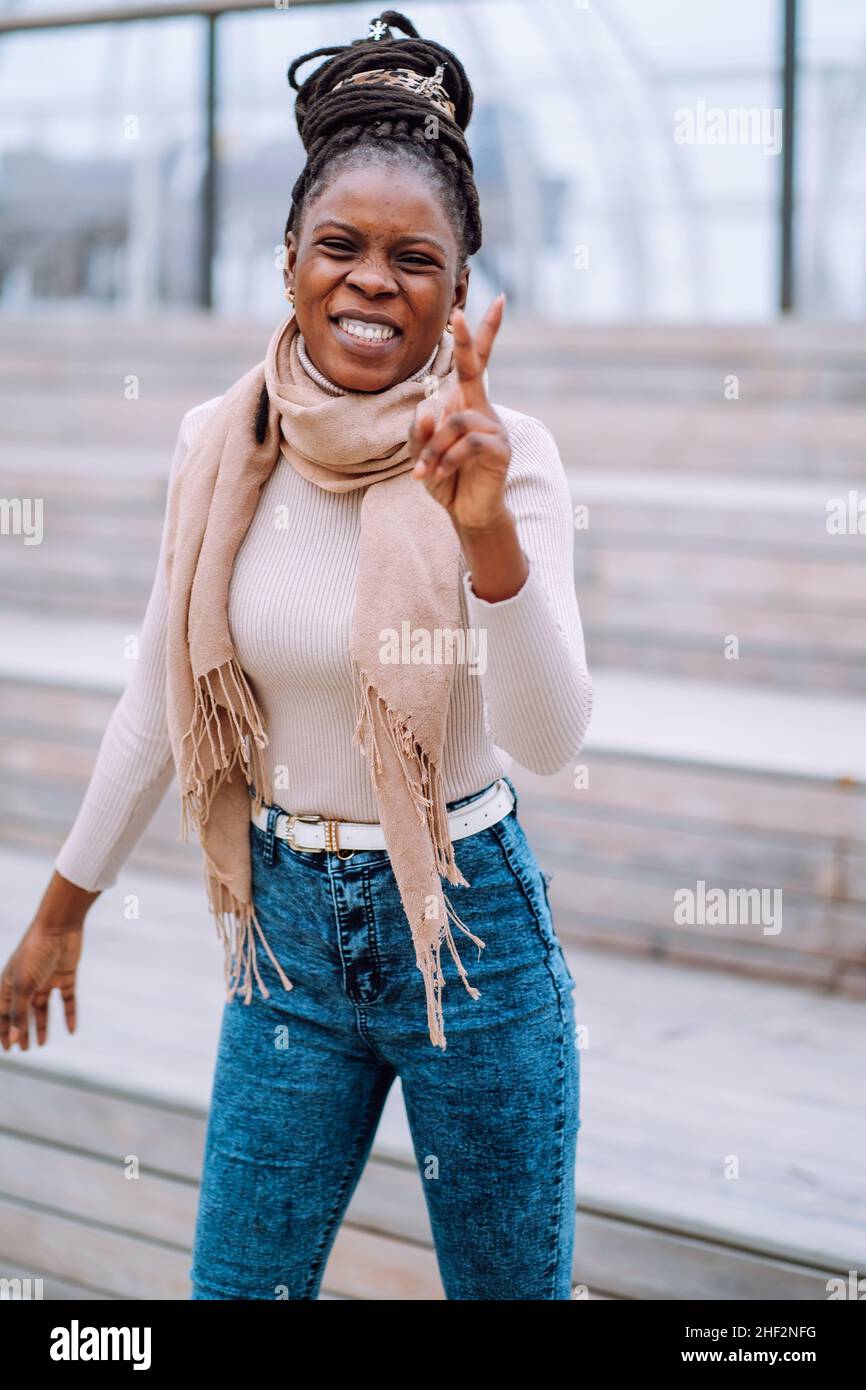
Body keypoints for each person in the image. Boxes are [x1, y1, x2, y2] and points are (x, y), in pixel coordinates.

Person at [0, 8, 593, 1300]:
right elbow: (160, 698)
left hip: (472, 932)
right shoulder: (221, 444)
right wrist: (59, 913)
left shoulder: (510, 459)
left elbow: (550, 739)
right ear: (288, 263)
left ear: (458, 291)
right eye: (341, 245)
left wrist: (484, 532)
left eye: (414, 258)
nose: (373, 279)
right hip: (284, 945)